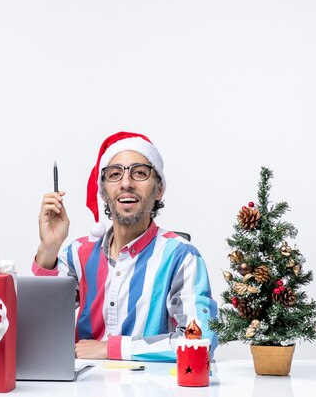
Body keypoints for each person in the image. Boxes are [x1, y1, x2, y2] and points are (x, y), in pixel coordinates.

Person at [32, 131, 218, 361]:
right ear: (103, 191)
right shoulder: (77, 253)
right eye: (115, 174)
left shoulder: (182, 257)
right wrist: (49, 247)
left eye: (139, 173)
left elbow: (199, 341)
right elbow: (37, 326)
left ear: (159, 189)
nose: (126, 183)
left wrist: (109, 349)